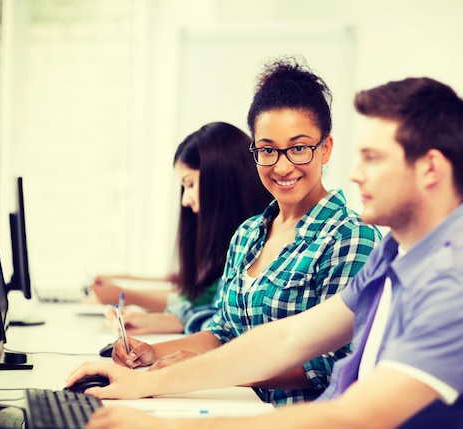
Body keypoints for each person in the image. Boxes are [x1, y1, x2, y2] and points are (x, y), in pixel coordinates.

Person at [68, 76, 463, 429]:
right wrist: (144, 383)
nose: (354, 173)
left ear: (430, 168)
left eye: (373, 158)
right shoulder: (399, 252)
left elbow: (356, 417)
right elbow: (286, 340)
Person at [101, 57, 381, 406]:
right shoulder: (248, 234)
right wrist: (151, 353)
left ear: (325, 148)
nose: (282, 165)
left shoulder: (351, 238)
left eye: (298, 148)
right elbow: (223, 333)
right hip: (234, 404)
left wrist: (206, 370)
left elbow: (333, 364)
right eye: (267, 150)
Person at [95, 121, 273, 335]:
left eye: (190, 184)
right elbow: (209, 309)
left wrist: (126, 296)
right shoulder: (232, 238)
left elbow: (217, 316)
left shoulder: (261, 239)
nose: (185, 200)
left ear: (220, 181)